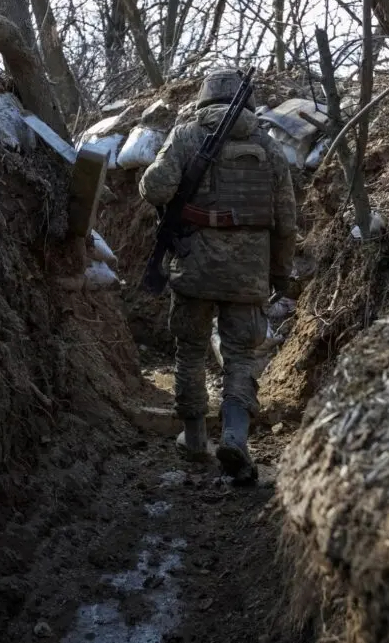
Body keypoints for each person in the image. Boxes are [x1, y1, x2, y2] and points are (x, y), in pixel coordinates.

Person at [138, 68, 297, 483]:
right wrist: (280, 275)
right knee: (241, 356)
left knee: (190, 351)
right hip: (249, 273)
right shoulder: (269, 146)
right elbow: (286, 222)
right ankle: (234, 438)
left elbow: (154, 188)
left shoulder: (187, 135)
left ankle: (193, 439)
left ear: (205, 100)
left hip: (193, 264)